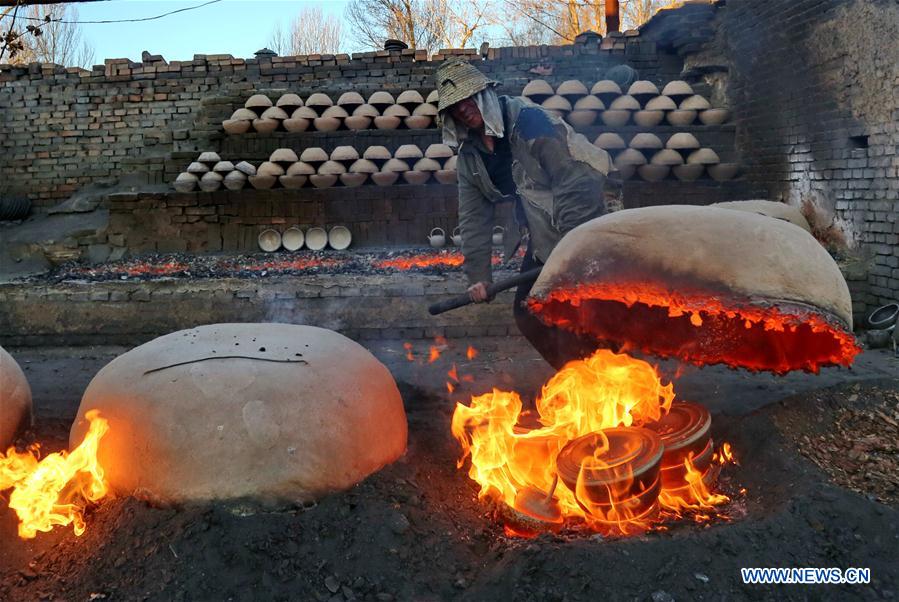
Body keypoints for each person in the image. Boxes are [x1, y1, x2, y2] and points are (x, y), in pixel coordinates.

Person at [435, 58, 614, 370]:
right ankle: (581, 381)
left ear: (486, 94)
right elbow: (473, 217)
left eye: (469, 99)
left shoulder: (530, 122)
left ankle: (619, 377)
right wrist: (478, 277)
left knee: (591, 309)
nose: (464, 109)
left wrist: (573, 249)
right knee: (529, 312)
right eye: (455, 106)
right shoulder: (470, 155)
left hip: (588, 221)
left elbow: (575, 181)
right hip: (543, 230)